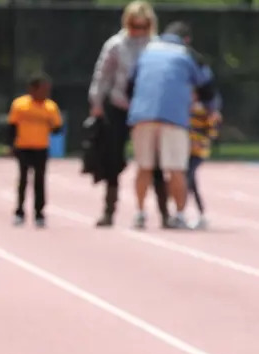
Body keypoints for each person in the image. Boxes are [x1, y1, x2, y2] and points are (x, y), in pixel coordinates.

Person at [127, 21, 218, 229]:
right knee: (176, 168)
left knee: (144, 167)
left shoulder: (146, 51)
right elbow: (207, 87)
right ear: (186, 39)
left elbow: (130, 84)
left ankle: (140, 213)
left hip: (142, 114)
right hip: (173, 117)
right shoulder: (188, 54)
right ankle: (179, 215)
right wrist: (211, 110)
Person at [87, 0, 158, 227]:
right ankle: (109, 210)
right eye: (134, 26)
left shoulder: (156, 46)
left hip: (147, 110)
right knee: (112, 160)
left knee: (152, 161)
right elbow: (102, 75)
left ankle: (164, 212)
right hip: (119, 107)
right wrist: (96, 102)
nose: (138, 31)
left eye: (143, 26)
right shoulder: (116, 45)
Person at [7, 73, 63, 228]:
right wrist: (10, 146)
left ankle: (39, 214)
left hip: (41, 148)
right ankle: (19, 212)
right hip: (23, 147)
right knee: (23, 180)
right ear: (32, 89)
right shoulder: (20, 105)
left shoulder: (50, 107)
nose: (46, 93)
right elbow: (12, 127)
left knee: (40, 181)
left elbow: (58, 129)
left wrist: (52, 124)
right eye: (43, 89)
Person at [187, 90, 221, 230]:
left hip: (198, 151)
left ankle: (182, 211)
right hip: (185, 151)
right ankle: (200, 214)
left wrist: (200, 141)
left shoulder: (204, 110)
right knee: (191, 182)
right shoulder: (185, 108)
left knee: (188, 178)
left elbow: (212, 131)